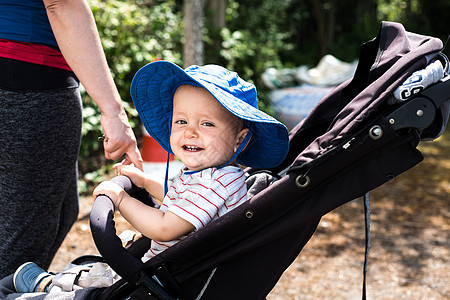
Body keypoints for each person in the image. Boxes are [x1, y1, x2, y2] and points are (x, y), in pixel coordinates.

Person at [9, 61, 290, 294]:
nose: (190, 132)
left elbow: (165, 228)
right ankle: (50, 284)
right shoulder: (212, 175)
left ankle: (49, 287)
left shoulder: (216, 182)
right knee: (104, 276)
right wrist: (144, 183)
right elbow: (178, 197)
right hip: (170, 269)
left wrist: (120, 198)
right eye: (181, 121)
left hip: (170, 280)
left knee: (101, 287)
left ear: (240, 139)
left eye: (207, 123)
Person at [0, 0, 143, 278]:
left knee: (63, 210)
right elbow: (62, 5)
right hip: (28, 75)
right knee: (20, 243)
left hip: (24, 75)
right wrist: (113, 112)